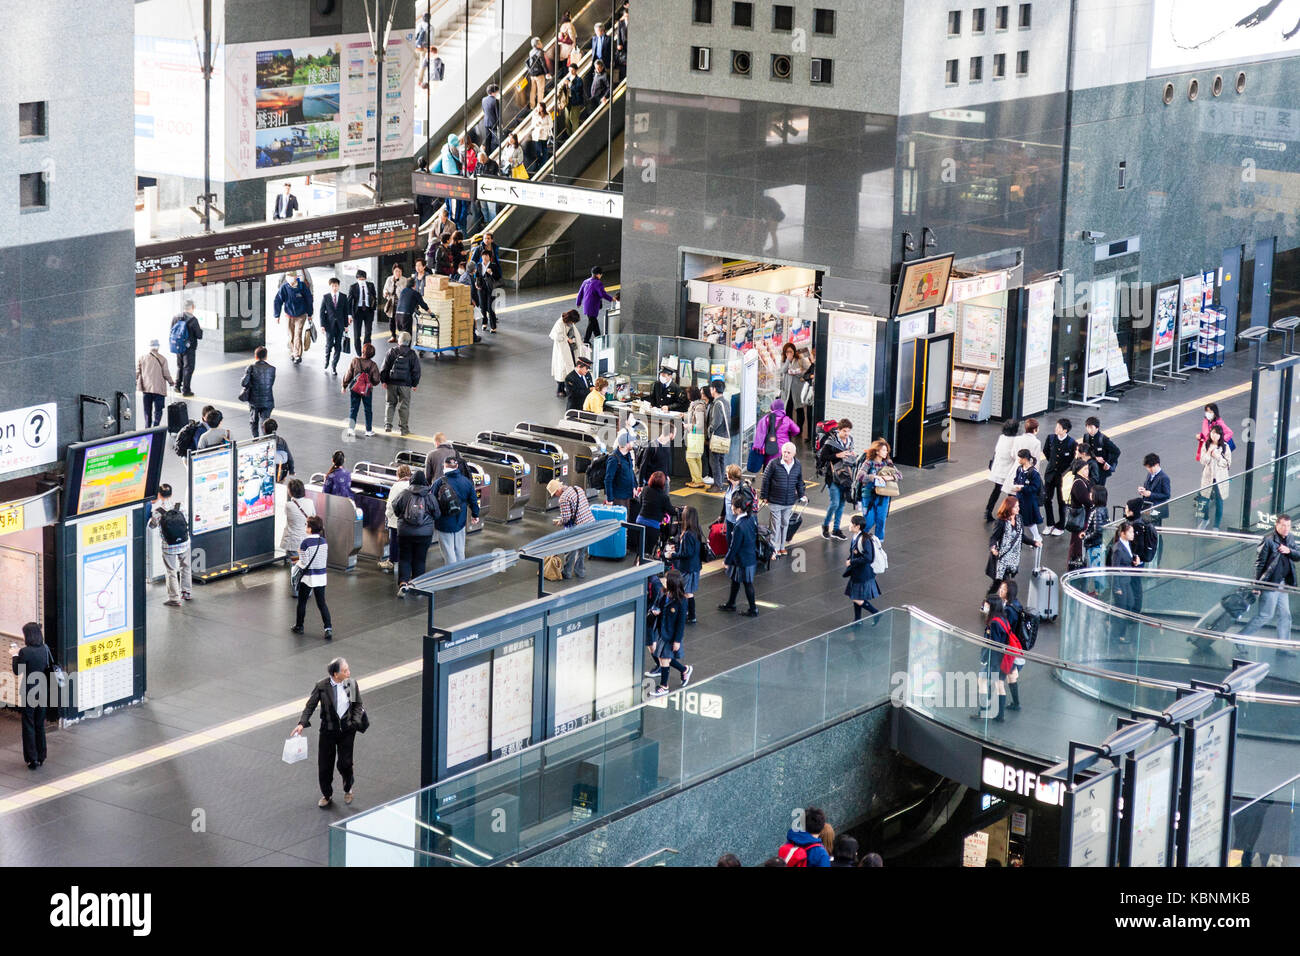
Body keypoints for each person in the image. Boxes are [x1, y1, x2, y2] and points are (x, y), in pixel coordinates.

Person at [291, 657, 363, 807]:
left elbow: (357, 705)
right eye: (345, 670)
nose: (349, 672)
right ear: (336, 674)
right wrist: (301, 723)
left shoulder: (351, 684)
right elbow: (310, 706)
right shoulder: (322, 686)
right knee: (324, 766)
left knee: (345, 763)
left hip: (347, 731)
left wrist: (355, 722)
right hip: (328, 731)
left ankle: (348, 788)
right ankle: (327, 794)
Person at [1237, 514, 1300, 653]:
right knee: (1265, 615)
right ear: (1276, 525)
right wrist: (1257, 585)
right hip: (1271, 584)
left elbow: (1298, 555)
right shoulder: (1268, 540)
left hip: (1283, 583)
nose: (1286, 529)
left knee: (1285, 615)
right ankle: (1240, 638)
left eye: (1288, 526)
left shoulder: (1289, 538)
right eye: (1283, 525)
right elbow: (1259, 564)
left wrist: (1289, 550)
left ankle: (1283, 647)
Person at [9, 622, 51, 769]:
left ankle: (32, 759)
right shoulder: (45, 649)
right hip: (43, 690)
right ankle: (42, 755)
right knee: (39, 724)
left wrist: (14, 655)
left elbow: (17, 671)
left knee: (28, 724)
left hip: (29, 691)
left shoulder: (25, 652)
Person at [393, 469, 439, 594]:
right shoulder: (429, 496)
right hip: (424, 534)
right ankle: (417, 585)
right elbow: (437, 513)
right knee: (420, 559)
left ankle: (403, 583)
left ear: (411, 480)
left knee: (404, 558)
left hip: (405, 532)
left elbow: (395, 508)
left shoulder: (404, 494)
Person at [648, 569, 692, 697]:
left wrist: (677, 640)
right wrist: (655, 611)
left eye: (666, 580)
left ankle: (664, 686)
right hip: (662, 631)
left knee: (664, 659)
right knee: (663, 657)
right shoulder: (664, 594)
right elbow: (657, 606)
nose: (664, 582)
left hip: (671, 635)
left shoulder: (681, 601)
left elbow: (681, 623)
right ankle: (685, 670)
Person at [146, 483, 192, 607]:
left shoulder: (158, 512)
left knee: (171, 570)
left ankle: (174, 598)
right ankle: (186, 592)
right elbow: (186, 520)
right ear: (171, 493)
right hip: (184, 542)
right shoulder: (180, 506)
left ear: (159, 495)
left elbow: (152, 526)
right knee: (185, 566)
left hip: (168, 546)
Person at [290, 515, 334, 638]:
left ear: (310, 528)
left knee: (302, 602)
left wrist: (298, 555)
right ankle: (328, 628)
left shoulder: (305, 543)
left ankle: (299, 626)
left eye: (306, 525)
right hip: (321, 576)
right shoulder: (324, 541)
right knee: (322, 603)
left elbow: (304, 563)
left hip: (308, 577)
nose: (305, 526)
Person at [761, 441, 806, 556]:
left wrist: (801, 495)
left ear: (794, 454)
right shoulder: (773, 463)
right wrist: (764, 496)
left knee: (785, 523)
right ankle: (773, 548)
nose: (785, 454)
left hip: (789, 500)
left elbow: (799, 481)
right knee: (775, 524)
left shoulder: (797, 464)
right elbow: (765, 480)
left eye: (788, 452)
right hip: (775, 500)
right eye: (784, 452)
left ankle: (782, 546)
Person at [432, 456, 479, 565]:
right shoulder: (466, 481)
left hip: (444, 522)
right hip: (460, 520)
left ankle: (451, 573)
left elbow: (432, 501)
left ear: (444, 466)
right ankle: (460, 570)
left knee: (448, 551)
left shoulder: (439, 482)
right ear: (457, 466)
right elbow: (473, 500)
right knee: (459, 549)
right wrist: (475, 515)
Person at [973, 595, 1013, 721]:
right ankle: (999, 715)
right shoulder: (1003, 619)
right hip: (1002, 659)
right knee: (998, 685)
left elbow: (993, 644)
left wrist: (985, 658)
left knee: (982, 681)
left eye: (987, 604)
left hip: (994, 660)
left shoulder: (994, 623)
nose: (985, 606)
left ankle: (983, 712)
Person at [719, 496, 759, 617]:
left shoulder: (739, 526)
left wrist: (727, 560)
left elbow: (734, 546)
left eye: (733, 506)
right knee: (736, 580)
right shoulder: (751, 518)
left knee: (747, 583)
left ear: (738, 510)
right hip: (749, 555)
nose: (731, 507)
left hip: (742, 558)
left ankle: (753, 609)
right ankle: (731, 603)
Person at [664, 504, 703, 623]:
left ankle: (691, 616)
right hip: (694, 566)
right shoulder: (697, 531)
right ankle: (689, 614)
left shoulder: (687, 534)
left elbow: (687, 553)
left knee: (687, 593)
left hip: (688, 568)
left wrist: (673, 555)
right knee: (687, 592)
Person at [551, 476, 595, 579]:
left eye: (554, 494)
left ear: (558, 490)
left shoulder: (563, 498)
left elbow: (566, 518)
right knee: (582, 550)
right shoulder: (577, 488)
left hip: (578, 527)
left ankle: (567, 572)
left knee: (570, 548)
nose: (555, 496)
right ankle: (580, 571)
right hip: (589, 522)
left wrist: (559, 522)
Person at [1106, 521, 1142, 645]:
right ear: (1123, 533)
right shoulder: (1117, 549)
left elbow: (1128, 557)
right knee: (1123, 608)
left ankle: (1112, 623)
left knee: (1129, 604)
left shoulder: (1127, 544)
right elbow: (1114, 569)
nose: (1133, 534)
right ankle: (1117, 635)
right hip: (1120, 583)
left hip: (1126, 581)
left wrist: (1135, 559)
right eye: (1130, 532)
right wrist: (1116, 587)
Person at [819, 418, 854, 540]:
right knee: (835, 503)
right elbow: (823, 457)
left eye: (848, 431)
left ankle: (836, 529)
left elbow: (850, 453)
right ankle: (825, 525)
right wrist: (837, 455)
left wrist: (851, 454)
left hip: (845, 476)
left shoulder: (850, 440)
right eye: (844, 431)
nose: (846, 434)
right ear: (839, 430)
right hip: (832, 476)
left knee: (842, 504)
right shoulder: (830, 442)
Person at [380, 331, 421, 436]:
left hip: (391, 383)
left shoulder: (391, 351)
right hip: (405, 384)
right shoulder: (412, 354)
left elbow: (384, 368)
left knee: (390, 403)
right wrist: (414, 384)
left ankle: (388, 425)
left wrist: (384, 381)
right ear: (408, 342)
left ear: (399, 340)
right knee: (404, 406)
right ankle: (404, 429)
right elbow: (416, 371)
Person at [857, 438, 898, 542]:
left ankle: (878, 543)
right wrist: (873, 477)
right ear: (877, 451)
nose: (886, 452)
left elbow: (899, 475)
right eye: (883, 450)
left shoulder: (888, 463)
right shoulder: (868, 463)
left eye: (886, 450)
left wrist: (891, 477)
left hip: (883, 496)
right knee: (869, 521)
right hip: (869, 495)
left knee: (881, 521)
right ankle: (860, 540)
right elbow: (860, 476)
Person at [1041, 418, 1076, 535]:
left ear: (1065, 430)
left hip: (1063, 477)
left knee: (1062, 502)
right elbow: (1046, 452)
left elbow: (1072, 460)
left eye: (1059, 427)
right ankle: (1050, 524)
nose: (1056, 428)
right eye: (1056, 426)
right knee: (1047, 499)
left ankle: (1061, 526)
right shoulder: (1050, 438)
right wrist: (1052, 463)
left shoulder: (1072, 443)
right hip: (1050, 475)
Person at [845, 513, 881, 619]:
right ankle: (857, 619)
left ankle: (875, 613)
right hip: (858, 572)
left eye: (851, 524)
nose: (849, 526)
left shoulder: (865, 540)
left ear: (857, 526)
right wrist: (850, 558)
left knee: (856, 598)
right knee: (857, 596)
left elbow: (868, 558)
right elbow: (855, 552)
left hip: (863, 573)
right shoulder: (856, 537)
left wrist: (852, 562)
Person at [273, 273, 314, 365]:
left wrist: (310, 313)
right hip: (289, 315)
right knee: (291, 335)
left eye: (291, 276)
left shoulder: (302, 286)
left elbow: (309, 300)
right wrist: (277, 315)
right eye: (288, 276)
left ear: (296, 277)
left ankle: (297, 355)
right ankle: (293, 351)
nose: (289, 278)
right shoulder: (284, 287)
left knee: (297, 335)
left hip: (301, 315)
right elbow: (278, 300)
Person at [984, 419, 1021, 521]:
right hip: (1009, 471)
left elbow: (996, 452)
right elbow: (1015, 456)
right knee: (1012, 494)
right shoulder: (1016, 440)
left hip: (998, 469)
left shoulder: (1001, 437)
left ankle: (988, 511)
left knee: (996, 490)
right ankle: (1012, 515)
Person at [342, 342, 382, 437]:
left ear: (362, 351)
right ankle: (368, 430)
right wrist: (370, 382)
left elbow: (348, 374)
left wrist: (344, 385)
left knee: (353, 408)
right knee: (368, 409)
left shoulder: (355, 361)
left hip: (355, 389)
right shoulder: (373, 365)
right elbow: (376, 380)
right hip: (367, 391)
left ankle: (351, 429)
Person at [1198, 424, 1232, 531]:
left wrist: (1217, 456)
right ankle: (1205, 519)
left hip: (1220, 478)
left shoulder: (1225, 447)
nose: (1214, 436)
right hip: (1208, 477)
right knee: (1204, 499)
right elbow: (1202, 461)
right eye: (1212, 433)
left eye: (1217, 433)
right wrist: (1209, 452)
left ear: (1220, 435)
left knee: (1219, 501)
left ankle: (1216, 526)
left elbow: (1227, 464)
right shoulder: (1206, 445)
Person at [1007, 448, 1043, 546]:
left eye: (1020, 457)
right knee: (1019, 519)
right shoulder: (1019, 468)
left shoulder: (1034, 473)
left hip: (1029, 500)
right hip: (1020, 499)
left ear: (1025, 459)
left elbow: (1035, 487)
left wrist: (1022, 489)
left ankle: (1037, 537)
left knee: (1030, 521)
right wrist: (1016, 485)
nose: (1018, 459)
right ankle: (1022, 538)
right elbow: (1016, 479)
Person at [378, 465, 411, 573]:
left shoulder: (396, 486)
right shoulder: (411, 484)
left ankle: (391, 561)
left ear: (398, 474)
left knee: (394, 541)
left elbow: (391, 503)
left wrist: (387, 514)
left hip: (396, 519)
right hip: (409, 519)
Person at [988, 496, 1027, 585]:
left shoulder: (1019, 518)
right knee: (1003, 583)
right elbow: (994, 537)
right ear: (1009, 508)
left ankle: (998, 596)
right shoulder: (1001, 522)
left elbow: (1021, 536)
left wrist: (1034, 542)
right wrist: (993, 548)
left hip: (1013, 557)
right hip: (1002, 558)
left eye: (1018, 506)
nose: (1018, 508)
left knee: (1002, 584)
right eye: (1016, 507)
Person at [135, 339, 174, 428]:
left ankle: (147, 427)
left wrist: (135, 381)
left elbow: (137, 372)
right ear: (158, 347)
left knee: (147, 410)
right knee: (158, 410)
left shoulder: (142, 358)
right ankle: (156, 426)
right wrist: (171, 382)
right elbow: (166, 373)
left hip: (146, 389)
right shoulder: (163, 359)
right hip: (158, 390)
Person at [240, 345, 276, 439]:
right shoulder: (272, 369)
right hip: (268, 401)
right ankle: (266, 439)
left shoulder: (251, 367)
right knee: (265, 421)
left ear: (255, 356)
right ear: (266, 356)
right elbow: (270, 383)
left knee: (253, 421)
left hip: (254, 401)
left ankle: (255, 439)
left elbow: (244, 383)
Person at [752, 398, 800, 468]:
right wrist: (789, 434)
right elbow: (797, 430)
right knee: (783, 469)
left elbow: (761, 433)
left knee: (770, 468)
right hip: (784, 449)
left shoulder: (767, 419)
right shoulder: (787, 419)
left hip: (770, 447)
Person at [637, 471, 677, 554]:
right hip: (652, 525)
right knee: (648, 550)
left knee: (640, 548)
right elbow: (671, 511)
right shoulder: (664, 496)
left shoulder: (645, 489)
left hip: (640, 521)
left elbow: (640, 503)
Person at [470, 233, 503, 332]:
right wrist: (475, 281)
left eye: (488, 238)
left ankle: (493, 326)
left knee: (490, 306)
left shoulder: (494, 251)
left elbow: (497, 273)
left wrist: (492, 272)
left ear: (492, 240)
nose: (486, 240)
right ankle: (484, 323)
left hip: (491, 285)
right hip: (481, 285)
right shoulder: (479, 256)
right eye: (485, 238)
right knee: (483, 306)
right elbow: (473, 263)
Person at [576, 266, 617, 344]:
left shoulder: (586, 281)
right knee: (592, 322)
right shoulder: (598, 283)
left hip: (587, 305)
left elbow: (580, 293)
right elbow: (602, 294)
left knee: (593, 321)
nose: (601, 276)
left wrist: (578, 302)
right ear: (598, 274)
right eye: (601, 274)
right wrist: (611, 299)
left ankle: (598, 336)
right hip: (593, 306)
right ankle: (586, 340)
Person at [171, 300, 203, 396]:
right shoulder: (193, 320)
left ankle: (177, 386)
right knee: (188, 368)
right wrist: (200, 330)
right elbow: (199, 335)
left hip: (178, 346)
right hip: (189, 348)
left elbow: (171, 330)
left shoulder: (176, 317)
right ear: (192, 307)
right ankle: (186, 390)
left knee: (180, 366)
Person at [319, 277, 351, 374]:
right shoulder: (326, 297)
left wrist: (346, 325)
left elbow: (346, 311)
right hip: (329, 326)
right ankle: (327, 360)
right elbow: (321, 312)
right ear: (330, 286)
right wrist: (322, 325)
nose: (334, 288)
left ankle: (334, 366)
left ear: (339, 286)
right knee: (329, 345)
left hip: (340, 325)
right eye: (332, 286)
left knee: (338, 346)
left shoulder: (343, 297)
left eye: (336, 286)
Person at [282, 477, 317, 565]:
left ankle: (296, 577)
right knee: (303, 563)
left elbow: (287, 515)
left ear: (291, 492)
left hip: (293, 541)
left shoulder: (289, 505)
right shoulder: (310, 502)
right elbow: (313, 515)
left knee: (296, 565)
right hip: (306, 538)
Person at [1066, 458, 1093, 569]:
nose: (1087, 471)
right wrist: (1092, 501)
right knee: (1077, 542)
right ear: (1078, 470)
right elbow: (1086, 501)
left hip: (1081, 516)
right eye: (1085, 469)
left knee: (1077, 541)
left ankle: (1075, 562)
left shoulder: (1083, 481)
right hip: (1081, 517)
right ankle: (1074, 564)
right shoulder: (1079, 483)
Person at [777, 343, 811, 433]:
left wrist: (799, 373)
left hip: (798, 389)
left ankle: (799, 428)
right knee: (788, 410)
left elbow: (808, 370)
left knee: (799, 409)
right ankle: (789, 428)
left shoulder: (800, 360)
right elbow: (782, 371)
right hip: (787, 390)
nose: (789, 353)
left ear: (794, 351)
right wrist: (788, 360)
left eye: (790, 351)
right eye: (787, 352)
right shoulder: (784, 361)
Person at [705, 379, 732, 490]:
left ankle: (717, 485)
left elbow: (716, 421)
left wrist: (709, 431)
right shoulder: (726, 402)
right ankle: (720, 483)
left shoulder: (717, 404)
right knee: (720, 461)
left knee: (714, 461)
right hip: (724, 436)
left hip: (717, 436)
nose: (710, 390)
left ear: (714, 389)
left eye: (711, 388)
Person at [550, 309, 582, 396]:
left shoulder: (569, 323)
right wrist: (567, 339)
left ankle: (567, 387)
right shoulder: (560, 324)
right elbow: (555, 335)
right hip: (563, 349)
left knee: (570, 367)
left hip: (570, 348)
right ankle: (560, 389)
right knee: (563, 369)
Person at [1082, 416, 1121, 486]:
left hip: (1101, 470)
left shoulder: (1103, 439)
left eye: (1091, 427)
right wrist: (1095, 458)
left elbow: (1117, 451)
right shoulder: (1086, 437)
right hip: (1090, 469)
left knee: (1099, 490)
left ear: (1097, 428)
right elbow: (1086, 451)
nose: (1089, 430)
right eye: (1087, 427)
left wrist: (1108, 464)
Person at [683, 386, 709, 488]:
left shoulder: (698, 407)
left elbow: (699, 425)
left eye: (688, 394)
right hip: (697, 436)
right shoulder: (695, 405)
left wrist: (688, 426)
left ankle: (697, 481)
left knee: (690, 458)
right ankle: (697, 480)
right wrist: (684, 416)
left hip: (696, 436)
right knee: (696, 458)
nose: (687, 396)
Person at [604, 435, 637, 512]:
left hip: (628, 495)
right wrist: (610, 499)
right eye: (632, 441)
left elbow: (631, 471)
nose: (633, 443)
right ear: (626, 444)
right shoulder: (614, 459)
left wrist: (634, 486)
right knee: (620, 521)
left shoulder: (628, 455)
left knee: (626, 519)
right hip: (618, 498)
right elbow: (608, 480)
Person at [347, 269, 377, 354]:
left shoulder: (370, 285)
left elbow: (374, 297)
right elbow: (349, 302)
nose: (362, 280)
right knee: (357, 334)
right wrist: (349, 315)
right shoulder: (353, 287)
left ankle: (366, 352)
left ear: (366, 278)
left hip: (368, 311)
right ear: (357, 279)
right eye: (360, 279)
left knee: (368, 333)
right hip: (357, 312)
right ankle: (359, 354)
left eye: (363, 279)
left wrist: (373, 308)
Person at [1124, 497, 1160, 567]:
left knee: (1135, 577)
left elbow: (1139, 544)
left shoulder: (1137, 525)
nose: (1125, 510)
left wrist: (1135, 557)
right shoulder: (1137, 521)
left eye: (1126, 508)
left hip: (1136, 561)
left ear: (1131, 512)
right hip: (1137, 559)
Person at [1138, 452, 1171, 523]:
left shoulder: (1164, 478)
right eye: (1147, 467)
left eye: (1150, 467)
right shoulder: (1149, 474)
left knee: (1154, 529)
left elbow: (1167, 495)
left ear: (1157, 465)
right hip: (1147, 507)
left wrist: (1150, 494)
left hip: (1157, 509)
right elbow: (1147, 487)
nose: (1149, 470)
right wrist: (1143, 490)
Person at [558, 61, 589, 136]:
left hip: (575, 102)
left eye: (572, 70)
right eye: (569, 70)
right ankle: (569, 135)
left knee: (574, 119)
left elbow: (578, 90)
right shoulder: (568, 78)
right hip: (567, 101)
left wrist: (570, 84)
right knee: (567, 120)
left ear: (576, 70)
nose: (571, 72)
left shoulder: (579, 80)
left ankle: (575, 135)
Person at [1083, 485, 1110, 569]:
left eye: (1091, 493)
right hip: (1100, 544)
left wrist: (1086, 537)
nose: (1090, 494)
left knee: (1095, 572)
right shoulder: (1103, 509)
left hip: (1094, 545)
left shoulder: (1097, 511)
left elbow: (1097, 531)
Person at [381, 264, 406, 343]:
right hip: (391, 303)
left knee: (401, 321)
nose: (397, 273)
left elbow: (403, 291)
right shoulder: (389, 279)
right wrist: (385, 293)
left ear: (402, 272)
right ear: (393, 271)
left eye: (399, 271)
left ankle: (401, 337)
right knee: (391, 320)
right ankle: (393, 336)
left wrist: (397, 282)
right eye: (396, 271)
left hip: (401, 303)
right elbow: (385, 289)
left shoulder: (404, 280)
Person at [525, 36, 549, 108]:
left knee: (533, 90)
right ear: (537, 44)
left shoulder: (531, 52)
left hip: (532, 75)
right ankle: (539, 106)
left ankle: (532, 105)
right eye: (540, 42)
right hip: (539, 75)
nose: (541, 44)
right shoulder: (540, 52)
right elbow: (543, 63)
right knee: (540, 91)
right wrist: (547, 72)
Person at [479, 84, 502, 153]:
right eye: (497, 91)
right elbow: (498, 115)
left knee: (488, 138)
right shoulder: (495, 101)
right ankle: (495, 151)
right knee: (495, 139)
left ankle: (487, 153)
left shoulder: (483, 100)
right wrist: (500, 124)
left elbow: (484, 110)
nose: (498, 93)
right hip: (493, 123)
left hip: (486, 122)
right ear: (493, 92)